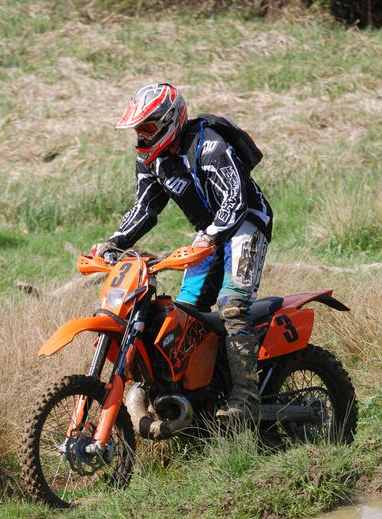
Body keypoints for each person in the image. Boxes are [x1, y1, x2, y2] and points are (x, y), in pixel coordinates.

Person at [92, 83, 273, 426]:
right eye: (138, 130)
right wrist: (113, 243)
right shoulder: (151, 160)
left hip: (247, 223)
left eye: (147, 128)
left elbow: (235, 200)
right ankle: (197, 393)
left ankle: (246, 397)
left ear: (170, 121)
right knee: (184, 313)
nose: (141, 137)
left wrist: (211, 237)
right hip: (208, 232)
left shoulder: (210, 146)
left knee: (232, 304)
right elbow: (145, 208)